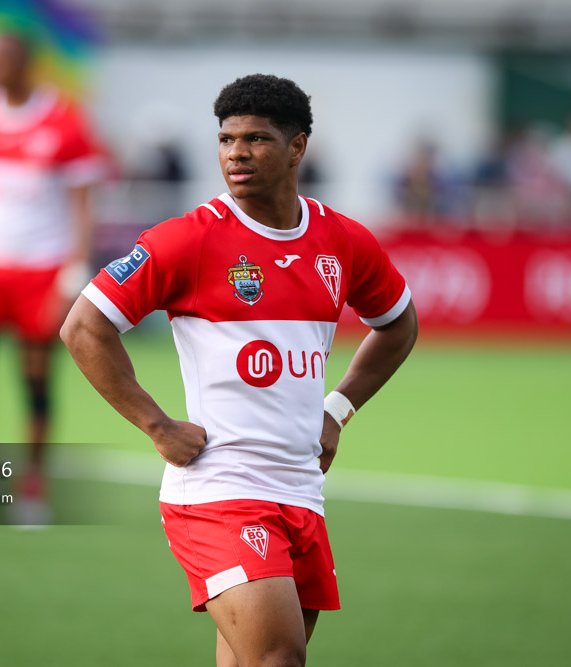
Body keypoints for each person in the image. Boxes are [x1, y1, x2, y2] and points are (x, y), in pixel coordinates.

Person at [61, 73, 418, 665]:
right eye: (226, 140)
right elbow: (84, 327)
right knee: (278, 658)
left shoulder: (343, 241)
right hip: (218, 488)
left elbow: (398, 324)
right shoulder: (188, 240)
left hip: (301, 489)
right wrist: (157, 425)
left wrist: (338, 408)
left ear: (298, 147)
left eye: (256, 139)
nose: (237, 154)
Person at [0, 32, 106, 524]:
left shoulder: (64, 120)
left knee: (34, 378)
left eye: (1, 60)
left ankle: (32, 482)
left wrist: (74, 270)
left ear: (26, 64)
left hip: (41, 267)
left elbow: (81, 205)